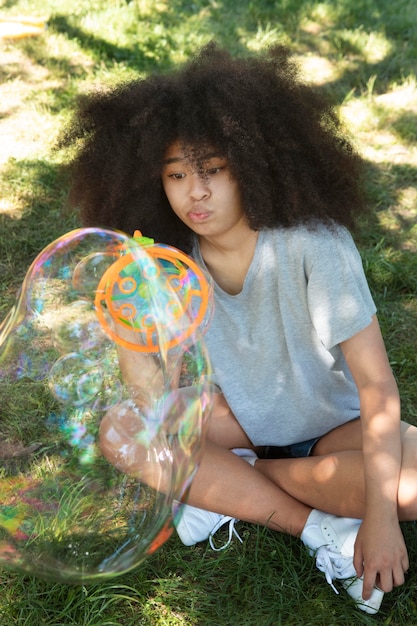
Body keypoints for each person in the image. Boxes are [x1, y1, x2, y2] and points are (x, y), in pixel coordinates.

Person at [60, 43, 417, 614]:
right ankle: (315, 527)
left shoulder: (313, 246)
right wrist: (129, 336)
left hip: (333, 424)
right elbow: (159, 405)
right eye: (175, 175)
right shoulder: (170, 264)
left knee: (415, 485)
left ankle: (234, 487)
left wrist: (380, 521)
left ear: (252, 163)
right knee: (121, 431)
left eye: (213, 171)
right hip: (235, 423)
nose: (194, 192)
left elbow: (378, 391)